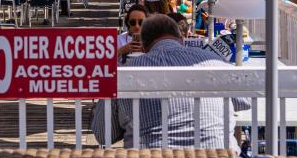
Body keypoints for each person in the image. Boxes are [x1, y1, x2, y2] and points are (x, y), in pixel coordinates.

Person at [91, 15, 248, 149]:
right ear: (181, 39)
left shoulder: (125, 73)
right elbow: (244, 101)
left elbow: (103, 134)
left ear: (144, 47)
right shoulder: (211, 61)